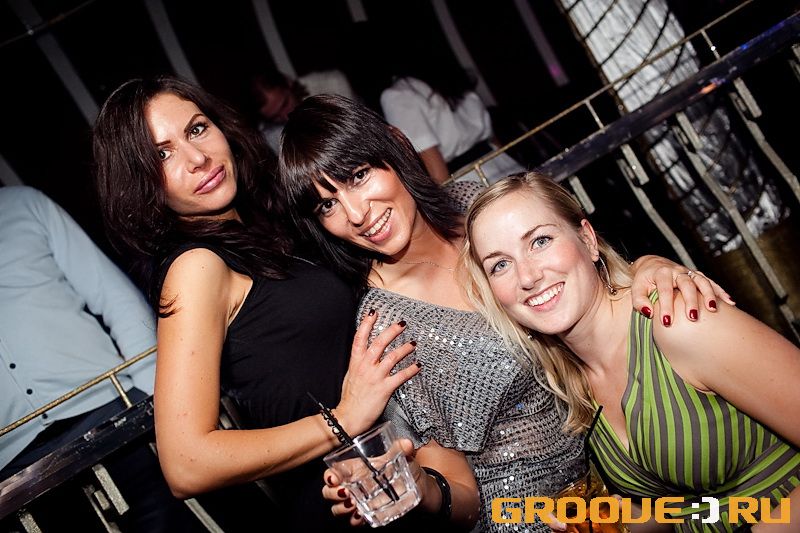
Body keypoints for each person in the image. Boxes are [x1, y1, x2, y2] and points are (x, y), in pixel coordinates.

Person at [277, 95, 729, 531]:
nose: (357, 213)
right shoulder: (384, 327)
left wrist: (648, 267)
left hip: (634, 468)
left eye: (358, 176)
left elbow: (584, 270)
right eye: (327, 204)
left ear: (396, 146)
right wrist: (420, 487)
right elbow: (463, 496)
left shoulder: (476, 205)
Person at [91, 76, 445, 531]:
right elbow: (186, 463)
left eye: (197, 129)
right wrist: (341, 419)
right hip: (344, 501)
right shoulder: (197, 267)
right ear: (139, 181)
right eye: (162, 154)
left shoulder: (267, 224)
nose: (197, 158)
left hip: (405, 470)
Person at [462, 172, 800, 531]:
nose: (527, 277)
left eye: (540, 241)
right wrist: (607, 519)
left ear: (588, 240)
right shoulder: (572, 381)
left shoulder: (678, 322)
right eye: (500, 265)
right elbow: (684, 511)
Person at [0, 185, 195, 531]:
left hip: (113, 413)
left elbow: (113, 296)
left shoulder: (23, 204)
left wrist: (158, 398)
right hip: (15, 468)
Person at [249, 67, 357, 154]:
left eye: (285, 104)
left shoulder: (333, 84)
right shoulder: (267, 134)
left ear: (288, 83)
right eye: (275, 117)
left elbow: (353, 137)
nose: (286, 117)